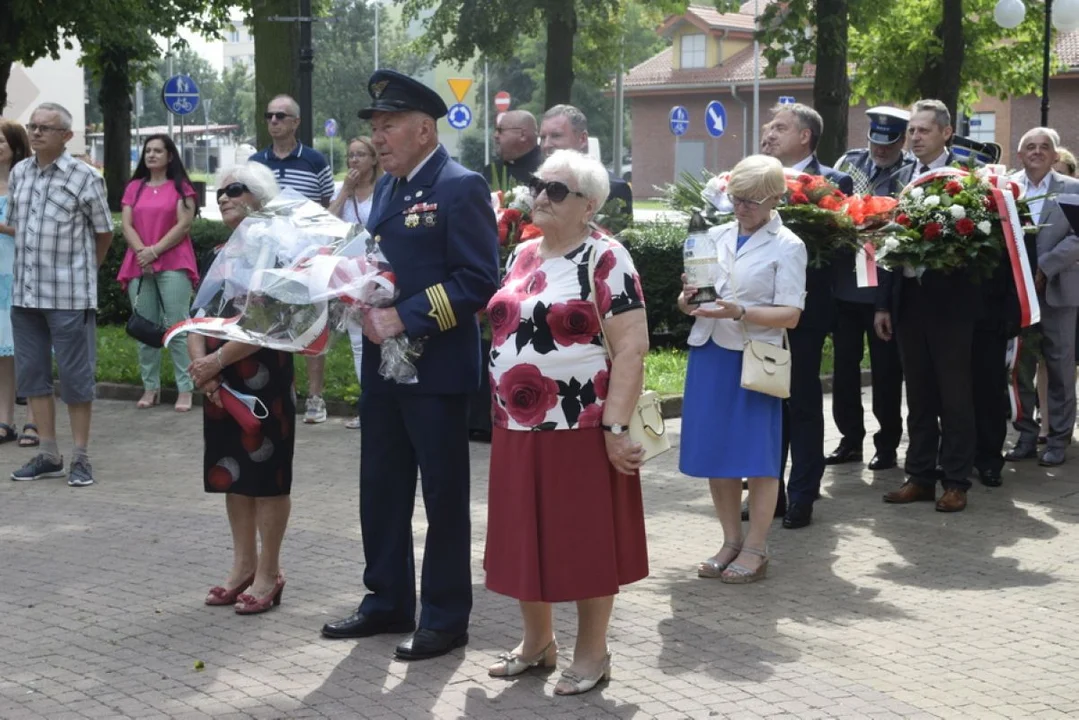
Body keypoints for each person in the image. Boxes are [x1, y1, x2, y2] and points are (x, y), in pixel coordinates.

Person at [321, 70, 500, 662]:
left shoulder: (460, 185)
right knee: (382, 487)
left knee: (444, 497)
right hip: (384, 368)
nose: (378, 138)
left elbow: (478, 280)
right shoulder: (392, 189)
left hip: (436, 369)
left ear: (425, 129)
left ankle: (445, 616)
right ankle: (387, 600)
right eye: (375, 127)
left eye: (388, 125)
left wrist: (408, 316)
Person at [483, 150, 649, 696]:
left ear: (589, 205)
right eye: (539, 185)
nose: (541, 197)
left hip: (581, 425)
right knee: (523, 538)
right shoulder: (525, 253)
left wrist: (616, 427)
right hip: (516, 422)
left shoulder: (605, 256)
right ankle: (537, 643)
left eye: (557, 191)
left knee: (583, 542)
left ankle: (592, 652)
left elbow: (631, 347)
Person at [679, 154, 806, 579]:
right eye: (736, 197)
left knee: (758, 455)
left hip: (754, 358)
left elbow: (791, 314)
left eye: (752, 199)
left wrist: (740, 311)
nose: (742, 207)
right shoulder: (713, 235)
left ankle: (757, 546)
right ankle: (730, 540)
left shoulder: (788, 245)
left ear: (774, 198)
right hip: (710, 352)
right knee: (718, 453)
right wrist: (686, 302)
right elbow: (696, 294)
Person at [187, 162, 295, 615]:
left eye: (235, 189)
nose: (224, 197)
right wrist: (202, 366)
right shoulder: (219, 253)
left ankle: (270, 571)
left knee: (267, 478)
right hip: (219, 382)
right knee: (233, 474)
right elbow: (197, 314)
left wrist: (215, 360)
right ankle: (242, 566)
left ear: (259, 197)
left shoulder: (278, 251)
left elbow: (267, 319)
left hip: (262, 377)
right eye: (220, 192)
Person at [6, 103, 113, 488]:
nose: (35, 133)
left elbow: (104, 233)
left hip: (69, 296)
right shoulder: (20, 173)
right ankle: (48, 453)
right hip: (26, 295)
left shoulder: (85, 177)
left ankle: (81, 456)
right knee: (33, 376)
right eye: (32, 126)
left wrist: (85, 275)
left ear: (66, 136)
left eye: (45, 128)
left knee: (75, 379)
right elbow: (21, 228)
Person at [878, 99, 977, 512]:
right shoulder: (899, 176)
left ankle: (955, 480)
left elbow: (981, 244)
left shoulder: (968, 178)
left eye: (923, 130)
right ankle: (919, 476)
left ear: (946, 133)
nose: (914, 137)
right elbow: (882, 245)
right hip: (908, 299)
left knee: (954, 395)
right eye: (912, 131)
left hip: (952, 304)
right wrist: (883, 305)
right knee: (917, 394)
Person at [760, 103, 852, 529]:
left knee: (801, 401)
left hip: (806, 311)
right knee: (764, 402)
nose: (769, 133)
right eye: (768, 127)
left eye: (779, 127)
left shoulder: (834, 182)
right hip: (756, 314)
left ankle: (802, 494)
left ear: (805, 137)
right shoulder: (751, 178)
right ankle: (768, 494)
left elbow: (842, 251)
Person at [828, 107, 911, 473]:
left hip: (884, 289)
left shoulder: (909, 173)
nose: (880, 150)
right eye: (875, 141)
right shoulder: (849, 163)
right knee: (844, 370)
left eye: (888, 143)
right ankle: (849, 439)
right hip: (846, 286)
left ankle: (888, 444)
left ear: (902, 139)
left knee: (886, 373)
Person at [250, 94, 335, 425]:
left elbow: (325, 205)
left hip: (306, 255)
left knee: (312, 324)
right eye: (269, 116)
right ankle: (284, 391)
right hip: (267, 256)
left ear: (296, 122)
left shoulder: (314, 161)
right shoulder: (256, 163)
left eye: (281, 116)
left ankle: (315, 397)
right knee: (273, 326)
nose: (273, 121)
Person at [1004, 127, 1079, 468]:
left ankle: (1059, 438)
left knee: (1061, 367)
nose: (1036, 151)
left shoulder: (1072, 189)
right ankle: (1026, 435)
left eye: (1044, 147)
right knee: (1020, 367)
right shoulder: (1006, 188)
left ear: (1054, 155)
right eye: (1029, 147)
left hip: (1059, 290)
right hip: (1018, 293)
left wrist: (1045, 267)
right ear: (1020, 155)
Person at [118, 134, 199, 412]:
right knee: (145, 328)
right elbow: (127, 225)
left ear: (170, 156)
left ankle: (185, 388)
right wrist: (143, 253)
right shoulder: (134, 188)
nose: (151, 155)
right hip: (138, 263)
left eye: (157, 151)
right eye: (147, 151)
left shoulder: (182, 188)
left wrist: (155, 251)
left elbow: (183, 225)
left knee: (177, 327)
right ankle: (150, 388)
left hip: (173, 262)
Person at [328, 136, 382, 430]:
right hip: (349, 275)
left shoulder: (385, 189)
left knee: (381, 339)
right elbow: (326, 224)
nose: (354, 161)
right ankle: (368, 406)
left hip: (380, 274)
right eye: (350, 156)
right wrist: (345, 191)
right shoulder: (343, 191)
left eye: (361, 154)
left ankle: (383, 404)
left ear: (374, 159)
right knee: (358, 344)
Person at [0, 120, 37, 446]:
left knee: (28, 350)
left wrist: (4, 227)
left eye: (1, 140)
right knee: (3, 354)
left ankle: (33, 421)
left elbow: (34, 229)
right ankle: (5, 420)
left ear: (14, 145)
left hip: (21, 272)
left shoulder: (25, 182)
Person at [539, 104, 634, 221]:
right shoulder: (536, 184)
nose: (546, 144)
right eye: (543, 137)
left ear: (582, 139)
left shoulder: (614, 187)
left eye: (556, 136)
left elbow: (620, 237)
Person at [482, 110, 542, 187]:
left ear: (522, 134)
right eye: (496, 130)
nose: (495, 135)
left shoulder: (547, 168)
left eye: (500, 130)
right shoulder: (491, 171)